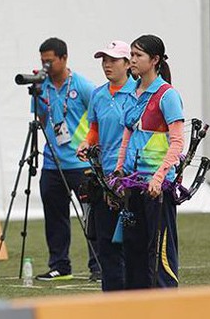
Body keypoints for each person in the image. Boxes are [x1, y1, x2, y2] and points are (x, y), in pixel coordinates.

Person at [114, 34, 184, 289]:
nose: (131, 60)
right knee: (133, 248)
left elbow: (177, 142)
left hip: (157, 187)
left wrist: (158, 177)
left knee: (160, 250)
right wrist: (118, 171)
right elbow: (127, 135)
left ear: (154, 60)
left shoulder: (167, 95)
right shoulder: (132, 92)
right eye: (131, 55)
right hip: (133, 184)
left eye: (137, 56)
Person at [32, 37, 101, 282]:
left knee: (91, 216)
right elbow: (40, 118)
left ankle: (99, 265)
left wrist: (92, 148)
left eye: (49, 61)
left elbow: (99, 117)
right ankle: (60, 265)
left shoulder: (82, 86)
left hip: (81, 164)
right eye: (42, 61)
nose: (46, 66)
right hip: (52, 164)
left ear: (63, 58)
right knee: (55, 218)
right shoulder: (42, 87)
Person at [77, 40, 136, 291]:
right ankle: (112, 300)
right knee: (106, 242)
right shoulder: (99, 95)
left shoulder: (140, 92)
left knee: (132, 243)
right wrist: (86, 144)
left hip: (132, 177)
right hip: (103, 178)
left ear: (127, 64)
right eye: (104, 60)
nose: (107, 65)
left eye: (112, 60)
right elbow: (95, 129)